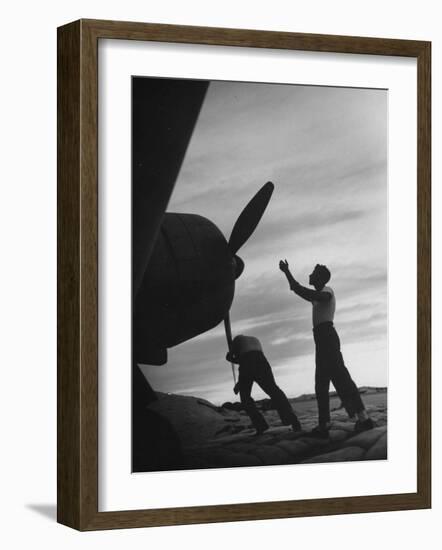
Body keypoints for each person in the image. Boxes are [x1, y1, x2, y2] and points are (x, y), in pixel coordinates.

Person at [279, 260, 374, 438]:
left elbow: (314, 295)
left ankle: (364, 419)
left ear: (320, 278)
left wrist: (298, 284)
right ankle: (324, 424)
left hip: (328, 338)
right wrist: (286, 271)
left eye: (313, 272)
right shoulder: (316, 297)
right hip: (321, 340)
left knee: (342, 378)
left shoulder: (327, 291)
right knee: (321, 383)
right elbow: (296, 287)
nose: (309, 275)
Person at [226, 334, 302, 435]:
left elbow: (244, 362)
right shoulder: (254, 339)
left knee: (245, 397)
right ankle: (293, 421)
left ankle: (260, 426)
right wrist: (239, 384)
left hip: (247, 362)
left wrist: (229, 358)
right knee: (274, 391)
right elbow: (250, 360)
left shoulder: (236, 341)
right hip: (262, 360)